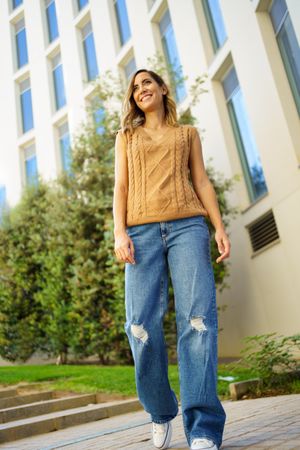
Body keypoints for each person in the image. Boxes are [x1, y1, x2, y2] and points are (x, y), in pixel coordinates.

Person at [113, 68, 230, 450]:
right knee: (139, 326)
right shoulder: (126, 138)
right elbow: (122, 187)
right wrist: (120, 232)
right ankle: (161, 410)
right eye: (135, 87)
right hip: (141, 233)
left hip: (187, 228)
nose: (141, 89)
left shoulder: (187, 134)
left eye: (147, 82)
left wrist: (219, 227)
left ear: (162, 89)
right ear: (133, 99)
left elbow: (202, 182)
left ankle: (202, 430)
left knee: (198, 322)